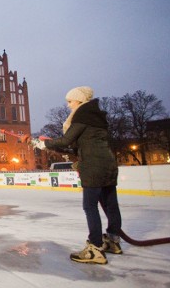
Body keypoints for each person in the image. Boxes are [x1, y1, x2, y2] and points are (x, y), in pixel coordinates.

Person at [25, 86, 123, 265]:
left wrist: (44, 145)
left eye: (70, 101)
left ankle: (95, 248)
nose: (69, 105)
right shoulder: (96, 118)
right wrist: (44, 144)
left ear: (79, 100)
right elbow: (76, 146)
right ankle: (113, 241)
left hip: (93, 166)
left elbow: (65, 140)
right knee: (110, 203)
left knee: (90, 206)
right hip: (108, 163)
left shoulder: (82, 116)